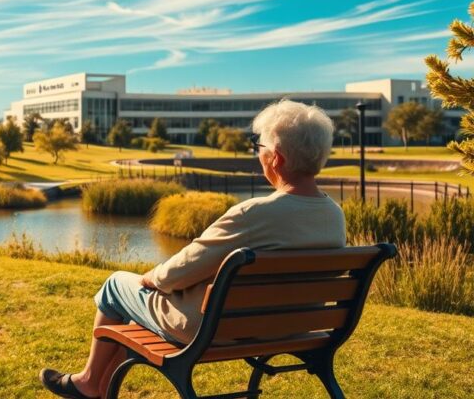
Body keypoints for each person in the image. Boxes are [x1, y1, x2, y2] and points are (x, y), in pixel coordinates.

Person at [40, 99, 347, 399]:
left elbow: (185, 267)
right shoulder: (335, 215)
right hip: (292, 326)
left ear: (276, 159)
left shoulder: (254, 214)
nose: (258, 155)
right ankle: (101, 388)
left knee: (115, 286)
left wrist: (152, 278)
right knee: (133, 310)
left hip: (213, 329)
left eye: (260, 148)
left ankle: (90, 382)